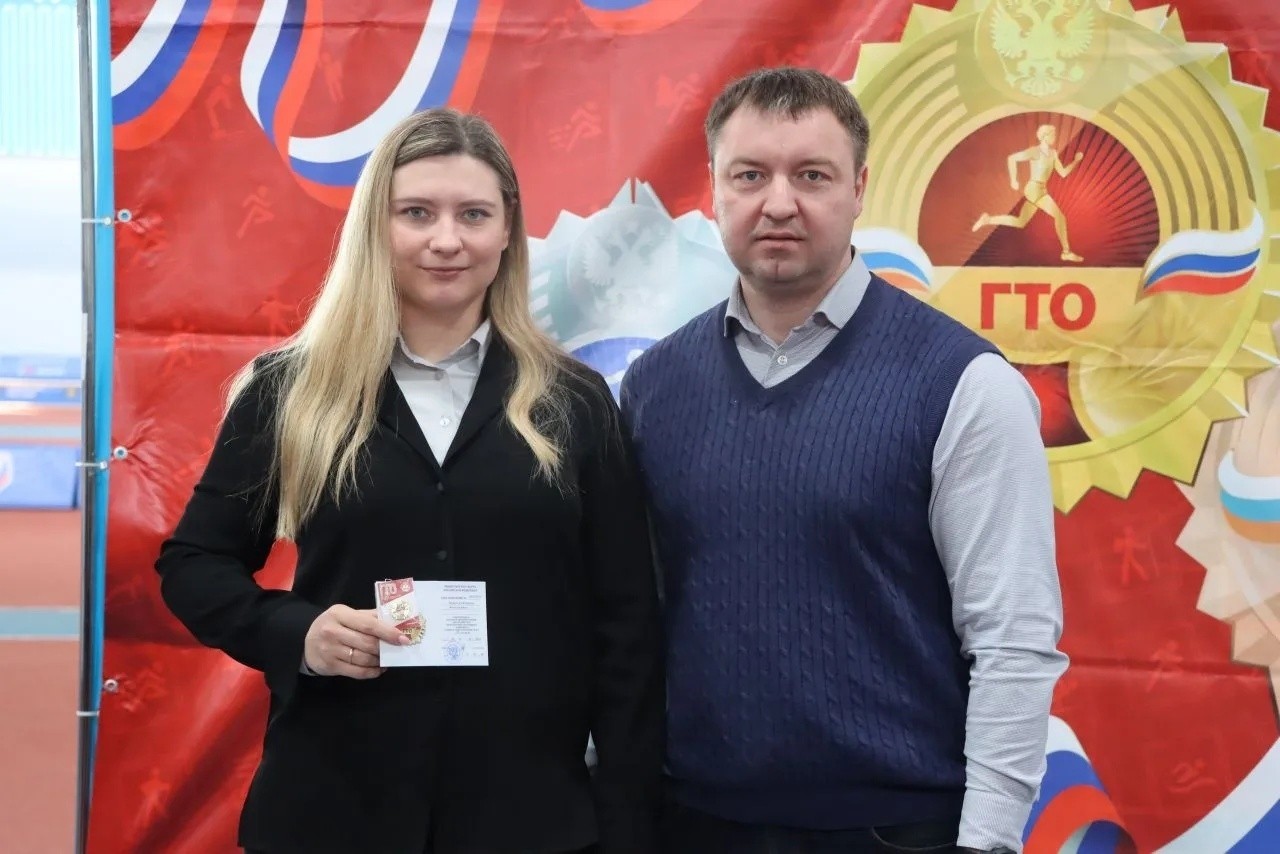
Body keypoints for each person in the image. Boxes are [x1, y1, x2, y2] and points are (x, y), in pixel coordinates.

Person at [156, 107, 664, 854]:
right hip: (333, 810)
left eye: (473, 214)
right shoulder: (289, 390)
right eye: (416, 213)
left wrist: (625, 817)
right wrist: (298, 634)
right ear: (376, 226)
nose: (446, 240)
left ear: (507, 230)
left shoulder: (575, 401)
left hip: (527, 819)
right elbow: (194, 564)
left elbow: (627, 621)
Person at [621, 67, 1068, 854]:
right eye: (750, 175)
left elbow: (1013, 636)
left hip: (898, 829)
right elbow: (630, 616)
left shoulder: (964, 383)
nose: (779, 203)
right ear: (714, 189)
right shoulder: (653, 386)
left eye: (812, 175)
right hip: (695, 821)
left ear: (860, 189)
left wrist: (988, 840)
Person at [972, 124, 1085, 262]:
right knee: (1060, 217)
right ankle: (1066, 252)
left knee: (1020, 222)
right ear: (1044, 136)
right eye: (1053, 134)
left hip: (1042, 190)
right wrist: (1013, 180)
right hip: (1033, 189)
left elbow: (1063, 173)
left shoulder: (1053, 153)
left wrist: (1075, 161)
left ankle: (988, 219)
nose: (1055, 137)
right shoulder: (1035, 151)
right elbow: (1012, 158)